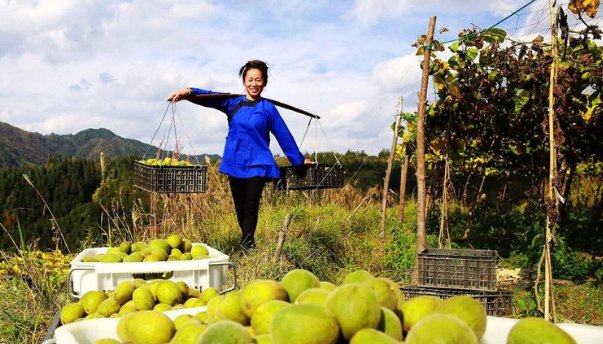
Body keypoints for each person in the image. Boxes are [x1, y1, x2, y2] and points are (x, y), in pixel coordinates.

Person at [167, 60, 312, 250]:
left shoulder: (268, 108)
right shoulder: (233, 102)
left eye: (258, 80)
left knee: (251, 204)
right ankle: (247, 240)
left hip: (258, 163)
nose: (254, 84)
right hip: (235, 162)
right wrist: (189, 92)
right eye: (250, 79)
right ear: (244, 81)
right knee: (240, 207)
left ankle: (248, 244)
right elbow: (211, 97)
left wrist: (299, 161)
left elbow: (284, 136)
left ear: (264, 83)